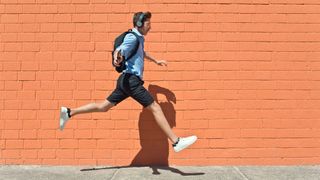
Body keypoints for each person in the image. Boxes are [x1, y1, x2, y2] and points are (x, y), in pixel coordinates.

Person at [59, 11, 197, 153]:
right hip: (131, 81)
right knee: (155, 107)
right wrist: (117, 57)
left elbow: (141, 52)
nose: (150, 27)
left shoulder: (139, 38)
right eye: (148, 24)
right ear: (139, 24)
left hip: (124, 80)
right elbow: (121, 50)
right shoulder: (132, 37)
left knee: (103, 107)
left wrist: (156, 61)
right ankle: (176, 142)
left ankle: (69, 112)